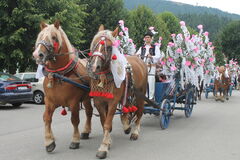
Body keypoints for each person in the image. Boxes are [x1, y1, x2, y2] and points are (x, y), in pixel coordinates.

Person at [136, 31, 162, 100]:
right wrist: (136, 56)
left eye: (148, 37)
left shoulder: (155, 47)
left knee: (150, 81)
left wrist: (151, 57)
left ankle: (151, 98)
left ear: (151, 39)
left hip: (151, 66)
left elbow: (158, 56)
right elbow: (137, 54)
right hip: (143, 66)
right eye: (146, 37)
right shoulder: (142, 48)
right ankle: (145, 97)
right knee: (144, 82)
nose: (147, 39)